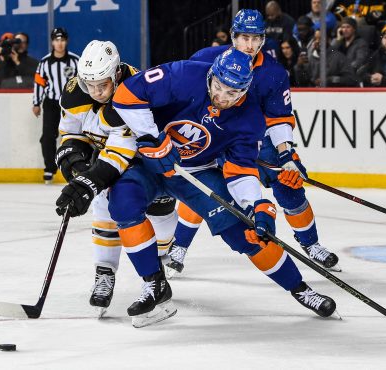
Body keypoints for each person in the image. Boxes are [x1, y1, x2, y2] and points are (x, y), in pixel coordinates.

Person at [105, 48, 336, 327]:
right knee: (122, 202)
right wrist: (152, 139)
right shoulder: (184, 74)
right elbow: (125, 95)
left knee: (247, 234)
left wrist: (258, 205)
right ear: (211, 75)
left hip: (197, 173)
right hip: (149, 166)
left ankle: (300, 288)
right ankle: (154, 284)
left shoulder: (249, 118)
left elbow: (240, 171)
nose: (222, 98)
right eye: (218, 87)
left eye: (232, 94)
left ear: (245, 91)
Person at [174, 9, 341, 277]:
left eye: (255, 38)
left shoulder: (274, 72)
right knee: (204, 188)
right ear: (233, 37)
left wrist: (286, 155)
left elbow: (279, 118)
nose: (249, 45)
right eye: (244, 38)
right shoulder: (206, 59)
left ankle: (311, 244)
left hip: (261, 142)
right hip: (216, 138)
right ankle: (178, 246)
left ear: (263, 39)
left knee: (290, 190)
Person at [54, 40, 179, 317]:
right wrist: (75, 162)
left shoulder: (135, 91)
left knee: (162, 216)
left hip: (147, 160)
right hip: (110, 158)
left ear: (117, 75)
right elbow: (70, 132)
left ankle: (157, 264)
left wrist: (90, 180)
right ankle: (105, 272)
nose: (96, 92)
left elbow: (122, 151)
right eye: (90, 85)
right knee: (106, 205)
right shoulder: (76, 92)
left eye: (103, 85)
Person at [32, 28, 79, 184]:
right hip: (51, 104)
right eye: (57, 40)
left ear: (67, 41)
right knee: (47, 137)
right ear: (52, 42)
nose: (60, 43)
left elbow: (83, 82)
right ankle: (50, 168)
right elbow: (39, 84)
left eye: (62, 40)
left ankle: (75, 166)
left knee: (74, 136)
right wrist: (36, 103)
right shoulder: (45, 62)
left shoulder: (75, 60)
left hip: (71, 104)